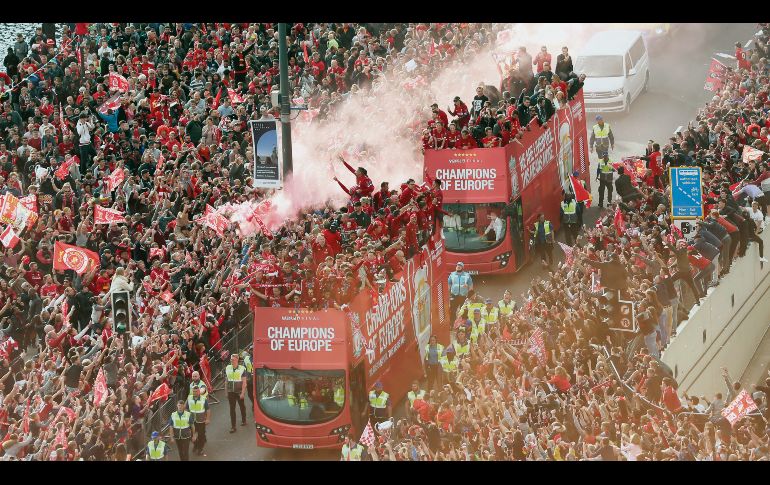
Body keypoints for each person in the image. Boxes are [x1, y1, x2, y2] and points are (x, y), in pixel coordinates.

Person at [225, 353, 248, 433]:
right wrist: (226, 392)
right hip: (231, 391)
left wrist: (242, 393)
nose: (231, 360)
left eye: (233, 359)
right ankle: (233, 426)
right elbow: (226, 381)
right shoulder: (228, 368)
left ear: (237, 360)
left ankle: (244, 420)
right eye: (231, 359)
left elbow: (244, 382)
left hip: (239, 391)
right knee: (232, 409)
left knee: (242, 406)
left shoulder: (242, 368)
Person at [187, 386, 211, 457]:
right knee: (191, 436)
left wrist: (207, 419)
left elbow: (208, 410)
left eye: (196, 391)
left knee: (201, 435)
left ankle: (200, 449)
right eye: (194, 392)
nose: (195, 393)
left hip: (201, 421)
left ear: (199, 392)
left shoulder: (203, 399)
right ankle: (196, 445)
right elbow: (186, 408)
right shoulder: (189, 398)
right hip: (192, 421)